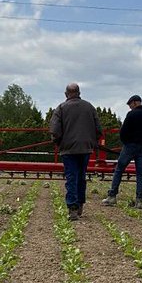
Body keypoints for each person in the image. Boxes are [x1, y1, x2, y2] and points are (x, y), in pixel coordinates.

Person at [50, 82, 102, 220]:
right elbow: (98, 129)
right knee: (81, 177)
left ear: (66, 94)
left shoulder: (61, 108)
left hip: (68, 149)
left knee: (71, 177)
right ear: (79, 93)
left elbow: (55, 131)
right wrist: (92, 142)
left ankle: (72, 207)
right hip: (85, 148)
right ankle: (80, 204)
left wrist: (58, 142)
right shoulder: (89, 107)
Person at [102, 94, 142, 208]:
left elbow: (123, 132)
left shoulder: (131, 114)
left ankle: (112, 196)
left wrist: (126, 142)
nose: (129, 107)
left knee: (119, 170)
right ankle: (139, 200)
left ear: (135, 103)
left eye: (130, 104)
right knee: (140, 174)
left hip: (130, 146)